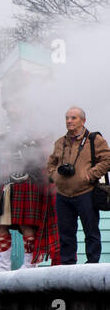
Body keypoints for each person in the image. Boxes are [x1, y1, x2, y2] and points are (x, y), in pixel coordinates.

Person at [47, 106, 110, 265]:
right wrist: (55, 176)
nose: (69, 121)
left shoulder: (94, 140)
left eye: (73, 118)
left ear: (83, 120)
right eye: (67, 118)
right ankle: (67, 265)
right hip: (63, 195)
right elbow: (51, 163)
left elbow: (107, 160)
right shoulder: (60, 142)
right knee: (65, 233)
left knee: (91, 231)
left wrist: (90, 174)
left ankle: (92, 264)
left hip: (86, 192)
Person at [0, 133, 59, 268]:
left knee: (26, 224)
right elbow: (1, 140)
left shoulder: (32, 131)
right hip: (10, 183)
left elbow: (41, 156)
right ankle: (3, 265)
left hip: (28, 181)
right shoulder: (11, 127)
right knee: (0, 224)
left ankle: (30, 263)